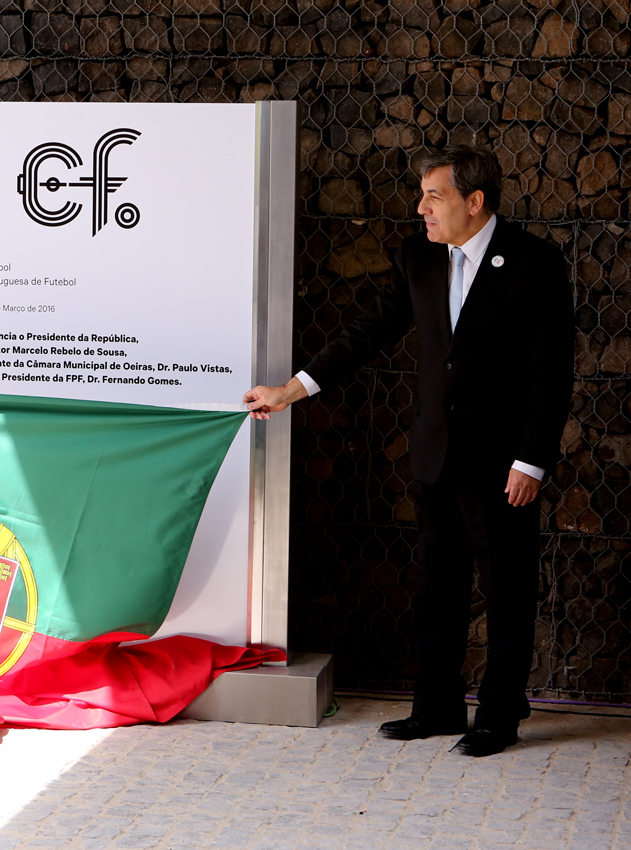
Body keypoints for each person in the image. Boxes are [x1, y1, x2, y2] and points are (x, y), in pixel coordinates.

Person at [244, 146, 573, 757]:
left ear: (475, 202)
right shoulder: (418, 255)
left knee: (507, 592)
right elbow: (365, 333)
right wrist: (292, 390)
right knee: (437, 587)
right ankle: (437, 708)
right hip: (434, 456)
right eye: (422, 195)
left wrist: (532, 460)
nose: (420, 208)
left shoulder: (535, 263)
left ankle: (499, 716)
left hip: (504, 465)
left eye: (434, 196)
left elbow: (551, 373)